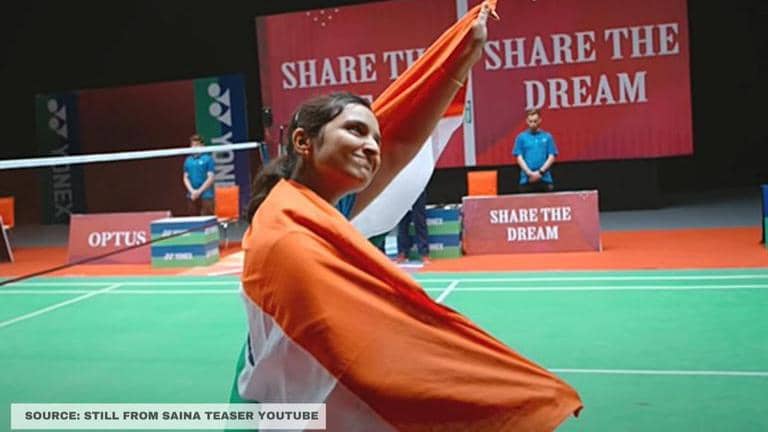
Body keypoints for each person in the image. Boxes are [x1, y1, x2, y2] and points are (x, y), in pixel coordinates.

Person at [234, 3, 582, 430]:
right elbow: (368, 347)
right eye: (356, 131)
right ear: (303, 141)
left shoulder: (318, 208)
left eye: (374, 137)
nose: (372, 146)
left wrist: (460, 62)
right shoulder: (286, 227)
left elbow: (399, 145)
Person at [513, 108, 558, 193]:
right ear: (527, 121)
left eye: (535, 121)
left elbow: (551, 156)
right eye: (530, 121)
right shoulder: (521, 137)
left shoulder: (547, 137)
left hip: (545, 179)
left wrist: (540, 172)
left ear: (540, 120)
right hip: (526, 180)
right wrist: (529, 173)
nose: (533, 124)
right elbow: (519, 157)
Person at [182, 134, 215, 215]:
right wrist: (192, 191)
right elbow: (185, 178)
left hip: (206, 195)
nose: (194, 147)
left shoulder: (208, 159)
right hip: (192, 195)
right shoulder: (188, 160)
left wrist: (199, 192)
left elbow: (211, 177)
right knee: (193, 219)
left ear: (202, 146)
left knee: (208, 219)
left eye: (197, 145)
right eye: (192, 145)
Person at [396, 190, 430, 264]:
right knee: (402, 223)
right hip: (401, 191)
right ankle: (402, 252)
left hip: (418, 189)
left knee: (420, 222)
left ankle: (424, 253)